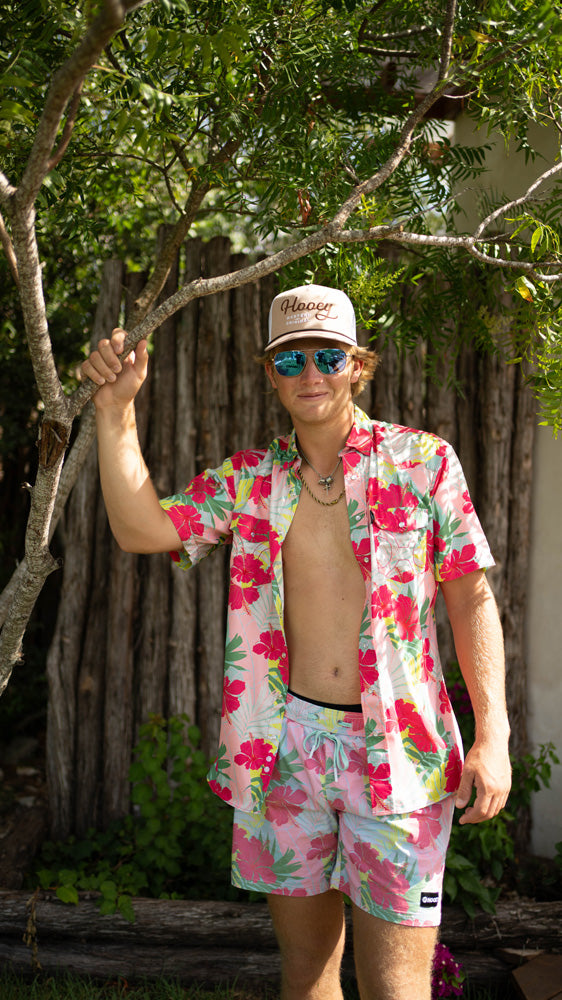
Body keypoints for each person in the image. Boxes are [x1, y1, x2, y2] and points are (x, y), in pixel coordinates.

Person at [81, 284, 511, 1000]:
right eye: (291, 360)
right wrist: (115, 410)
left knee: (396, 987)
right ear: (270, 372)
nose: (310, 374)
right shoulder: (251, 480)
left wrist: (491, 732)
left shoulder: (424, 461)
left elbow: (471, 596)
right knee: (306, 976)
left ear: (357, 365)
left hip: (400, 755)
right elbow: (141, 529)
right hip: (284, 751)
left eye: (327, 356)